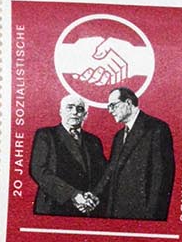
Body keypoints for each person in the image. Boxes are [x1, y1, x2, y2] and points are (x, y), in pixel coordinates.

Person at [100, 85, 174, 220]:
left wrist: (153, 218)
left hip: (143, 215)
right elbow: (111, 171)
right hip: (116, 213)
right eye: (108, 107)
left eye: (113, 105)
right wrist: (94, 195)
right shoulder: (119, 136)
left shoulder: (157, 129)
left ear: (128, 103)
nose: (110, 111)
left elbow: (162, 177)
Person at [29, 95, 107, 215]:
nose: (75, 112)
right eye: (70, 107)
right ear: (61, 112)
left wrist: (94, 196)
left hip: (87, 209)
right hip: (54, 207)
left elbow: (103, 174)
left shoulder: (93, 141)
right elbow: (38, 170)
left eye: (79, 109)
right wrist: (73, 194)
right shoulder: (46, 135)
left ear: (85, 115)